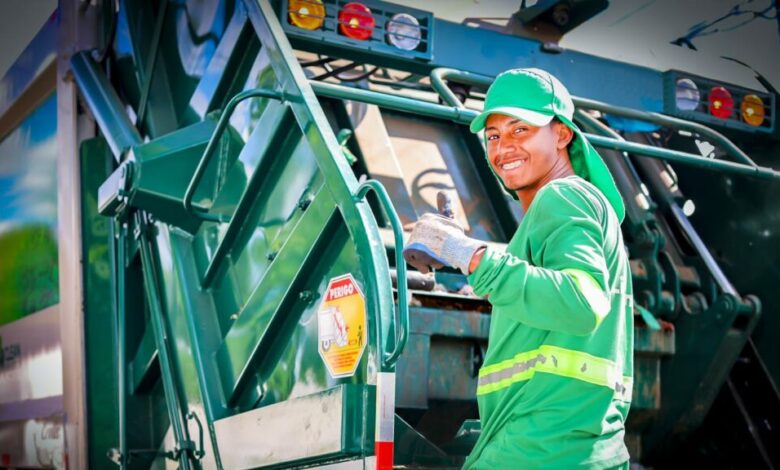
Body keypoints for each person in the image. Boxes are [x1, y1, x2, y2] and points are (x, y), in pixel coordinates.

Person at [403, 68, 634, 469]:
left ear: (562, 135)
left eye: (520, 129)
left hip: (539, 447)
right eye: (493, 136)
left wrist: (468, 254)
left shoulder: (562, 196)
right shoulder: (567, 208)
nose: (502, 147)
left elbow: (581, 304)